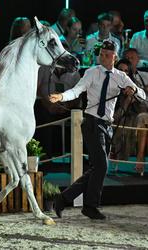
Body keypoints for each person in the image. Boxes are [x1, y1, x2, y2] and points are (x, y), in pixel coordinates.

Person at [49, 40, 146, 220]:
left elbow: (143, 95)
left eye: (107, 54)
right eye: (101, 54)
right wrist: (62, 96)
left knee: (97, 168)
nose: (103, 57)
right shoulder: (92, 72)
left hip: (106, 125)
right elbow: (77, 90)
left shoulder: (121, 76)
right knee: (101, 165)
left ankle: (63, 199)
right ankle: (89, 206)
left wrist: (132, 89)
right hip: (92, 122)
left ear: (114, 56)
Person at [111, 59, 138, 161]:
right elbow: (115, 117)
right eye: (120, 70)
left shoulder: (135, 87)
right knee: (123, 123)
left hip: (133, 120)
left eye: (126, 71)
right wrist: (126, 102)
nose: (123, 73)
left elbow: (142, 108)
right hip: (115, 119)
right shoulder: (110, 87)